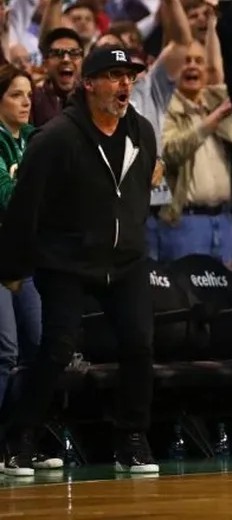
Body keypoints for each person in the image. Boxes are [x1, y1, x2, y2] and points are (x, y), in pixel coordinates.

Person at [0, 46, 158, 476]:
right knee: (56, 349)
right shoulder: (55, 138)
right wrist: (12, 268)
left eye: (129, 76)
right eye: (112, 75)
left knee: (139, 344)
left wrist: (132, 238)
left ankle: (132, 439)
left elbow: (139, 192)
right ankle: (20, 437)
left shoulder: (141, 131)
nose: (123, 84)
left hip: (124, 261)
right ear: (88, 83)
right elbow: (25, 207)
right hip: (66, 261)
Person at [0, 66, 41, 430]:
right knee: (5, 350)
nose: (26, 101)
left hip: (30, 260)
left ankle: (22, 441)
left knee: (41, 349)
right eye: (15, 94)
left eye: (28, 93)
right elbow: (7, 196)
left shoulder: (37, 138)